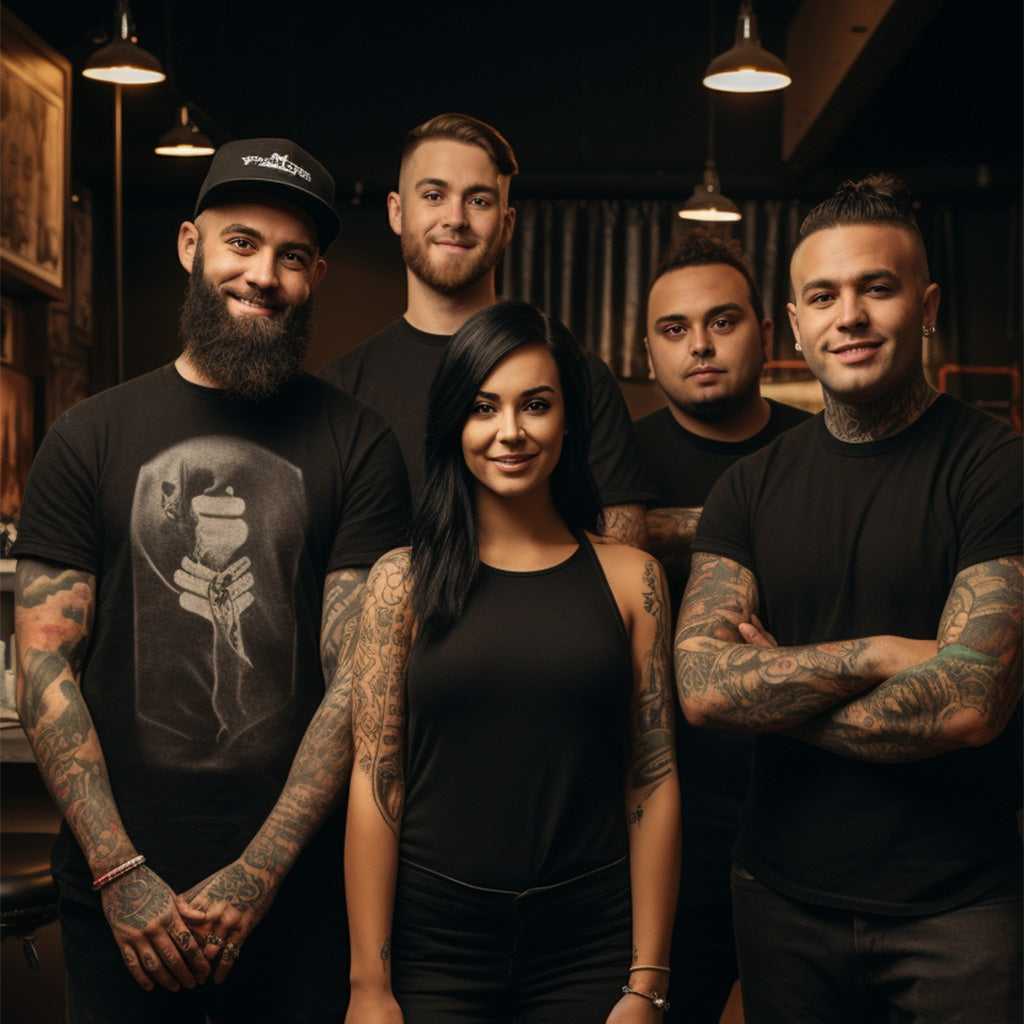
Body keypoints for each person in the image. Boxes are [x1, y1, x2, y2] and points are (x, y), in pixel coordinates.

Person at [12, 138, 411, 1023]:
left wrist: (261, 870)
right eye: (241, 243)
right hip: (120, 901)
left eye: (292, 257)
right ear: (191, 246)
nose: (263, 274)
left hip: (303, 900)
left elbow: (362, 680)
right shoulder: (88, 437)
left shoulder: (360, 446)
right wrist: (121, 874)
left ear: (316, 277)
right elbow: (43, 668)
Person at [675, 174, 1022, 1023]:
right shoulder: (746, 491)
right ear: (795, 323)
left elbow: (972, 702)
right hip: (781, 900)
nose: (851, 316)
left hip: (960, 912)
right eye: (823, 296)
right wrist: (878, 655)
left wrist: (775, 694)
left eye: (878, 287)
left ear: (927, 302)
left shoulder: (996, 467)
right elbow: (703, 688)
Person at [345, 300, 681, 1023]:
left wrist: (645, 983)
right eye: (482, 407)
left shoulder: (633, 580)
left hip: (588, 942)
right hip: (435, 945)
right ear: (453, 423)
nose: (510, 432)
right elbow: (378, 785)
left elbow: (650, 783)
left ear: (569, 420)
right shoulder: (399, 584)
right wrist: (368, 986)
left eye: (536, 405)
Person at [318, 112, 652, 547]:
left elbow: (624, 562)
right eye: (434, 195)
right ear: (397, 213)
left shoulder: (574, 375)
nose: (456, 218)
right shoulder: (339, 389)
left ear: (507, 224)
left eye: (478, 200)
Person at [635, 230, 810, 1023]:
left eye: (723, 321)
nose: (699, 345)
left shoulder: (820, 454)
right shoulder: (615, 469)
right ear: (647, 349)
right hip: (659, 807)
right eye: (675, 329)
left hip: (804, 799)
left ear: (769, 335)